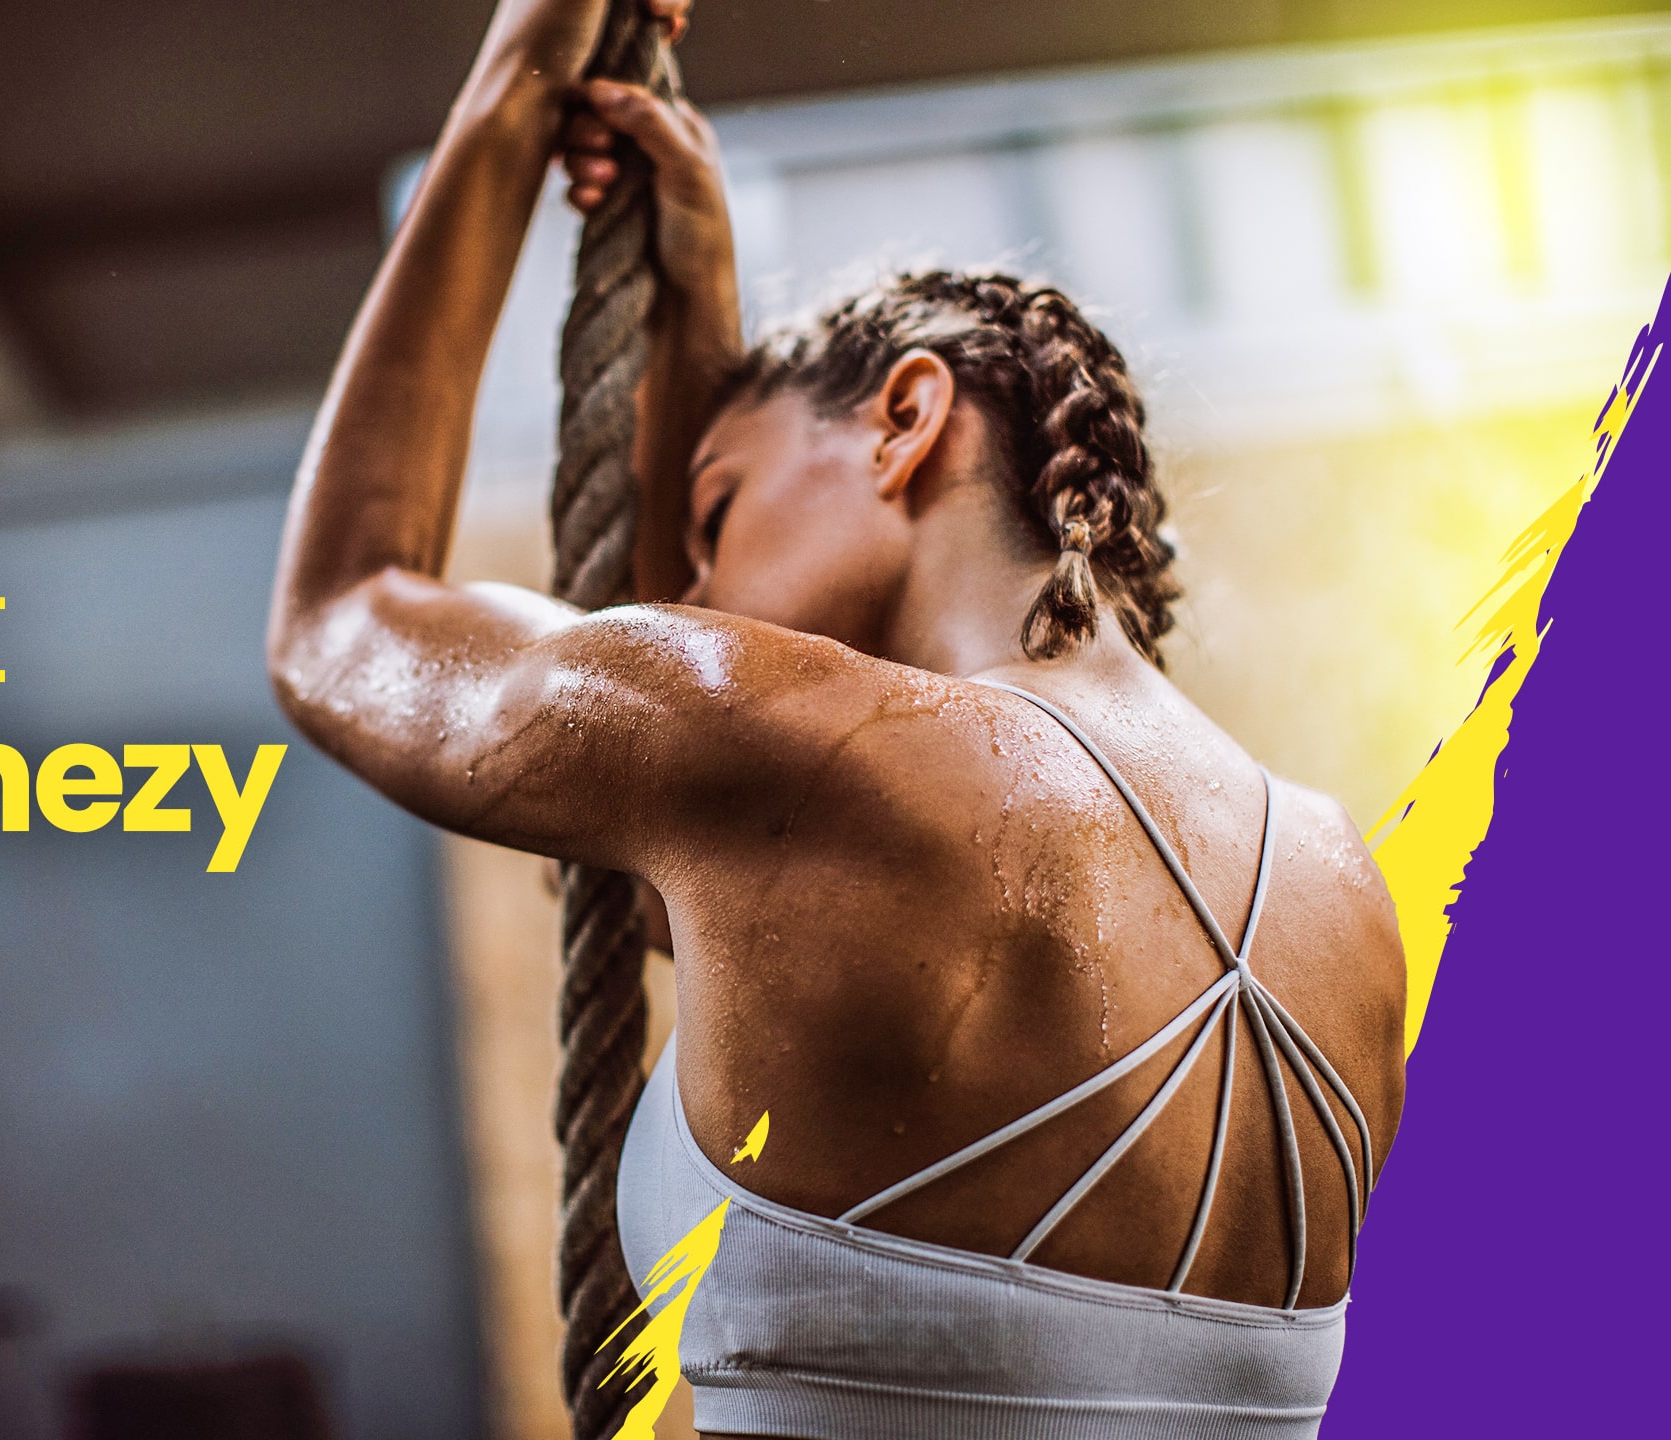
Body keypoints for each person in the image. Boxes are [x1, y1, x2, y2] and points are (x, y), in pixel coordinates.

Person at [265, 0, 1405, 1433]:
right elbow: (680, 899)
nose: (692, 588)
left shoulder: (804, 761)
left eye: (718, 512)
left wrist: (511, 83)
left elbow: (341, 615)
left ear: (906, 419)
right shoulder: (1339, 884)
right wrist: (701, 320)